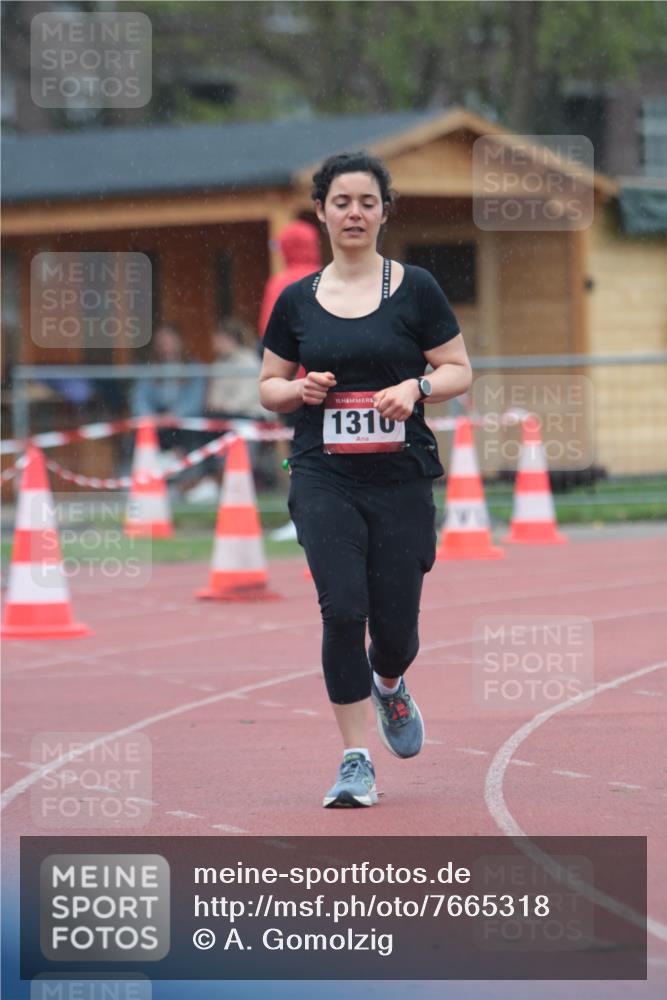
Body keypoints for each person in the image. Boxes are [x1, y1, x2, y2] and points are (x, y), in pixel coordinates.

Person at [259, 151, 472, 808]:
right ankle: (354, 760)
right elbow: (267, 387)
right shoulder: (297, 300)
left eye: (366, 202)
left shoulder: (414, 289)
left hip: (400, 475)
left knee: (397, 628)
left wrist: (417, 386)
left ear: (384, 212)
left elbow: (459, 368)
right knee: (341, 608)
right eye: (341, 201)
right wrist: (297, 389)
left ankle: (389, 681)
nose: (354, 212)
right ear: (321, 212)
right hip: (324, 475)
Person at [187, 318, 274, 502]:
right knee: (201, 426)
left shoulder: (248, 360)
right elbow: (213, 397)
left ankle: (214, 479)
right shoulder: (219, 363)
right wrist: (216, 407)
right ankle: (208, 479)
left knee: (212, 427)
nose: (214, 342)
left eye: (217, 338)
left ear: (228, 338)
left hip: (250, 416)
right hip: (224, 415)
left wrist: (223, 407)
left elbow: (247, 396)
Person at [130, 323, 205, 487]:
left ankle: (187, 482)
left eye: (169, 340)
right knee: (141, 436)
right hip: (157, 422)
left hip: (183, 422)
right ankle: (149, 477)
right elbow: (139, 397)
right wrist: (149, 417)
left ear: (179, 341)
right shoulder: (150, 369)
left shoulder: (193, 367)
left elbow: (195, 400)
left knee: (190, 435)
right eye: (161, 342)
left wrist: (173, 416)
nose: (165, 346)